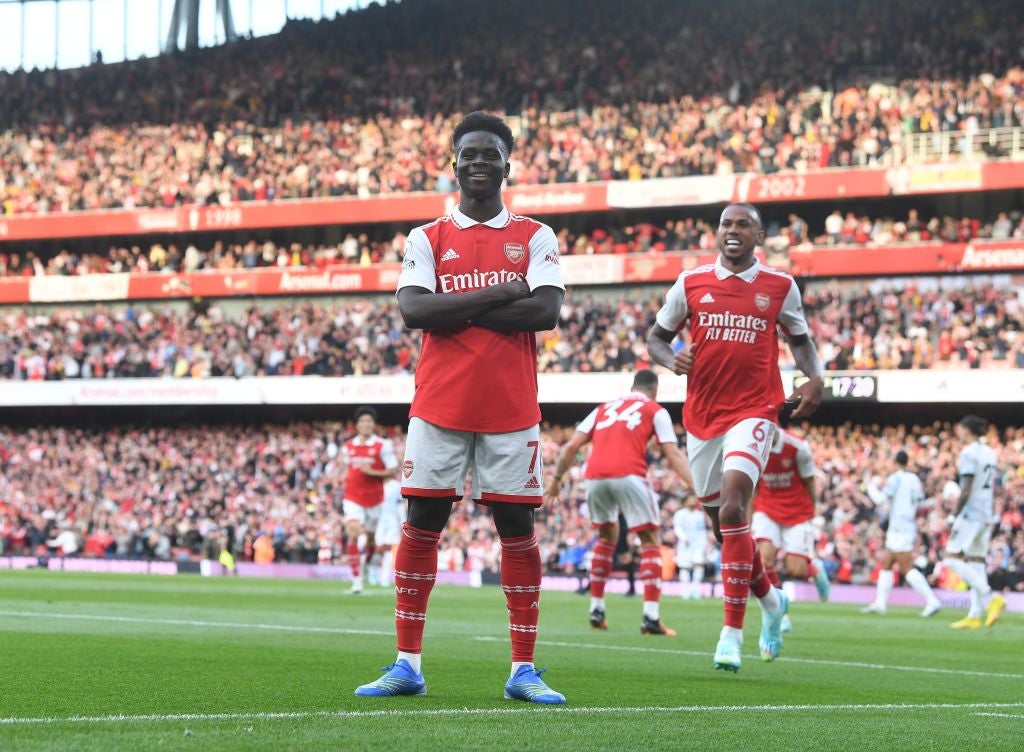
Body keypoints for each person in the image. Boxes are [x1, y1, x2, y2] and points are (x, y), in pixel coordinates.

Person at [356, 112, 566, 704]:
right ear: (454, 163)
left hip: (511, 406)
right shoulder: (426, 237)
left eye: (489, 153)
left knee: (516, 529)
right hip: (439, 405)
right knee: (422, 522)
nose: (479, 162)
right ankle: (406, 663)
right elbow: (416, 314)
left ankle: (523, 669)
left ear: (507, 164)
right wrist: (502, 291)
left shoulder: (536, 235)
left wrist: (457, 307)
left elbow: (545, 312)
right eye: (468, 153)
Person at [646, 202, 824, 672]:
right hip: (702, 416)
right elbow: (656, 338)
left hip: (756, 409)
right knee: (724, 530)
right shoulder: (691, 283)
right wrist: (669, 359)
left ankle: (730, 634)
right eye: (726, 223)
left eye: (743, 224)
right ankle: (771, 602)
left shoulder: (780, 286)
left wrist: (816, 376)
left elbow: (800, 339)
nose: (733, 230)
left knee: (732, 508)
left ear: (759, 237)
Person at [544, 369, 694, 636]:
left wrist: (555, 480)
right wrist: (697, 487)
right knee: (651, 540)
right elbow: (672, 453)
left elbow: (570, 447)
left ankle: (596, 609)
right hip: (629, 474)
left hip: (595, 477)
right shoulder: (654, 409)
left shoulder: (604, 408)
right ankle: (651, 617)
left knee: (606, 537)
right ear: (654, 391)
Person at [753, 427, 832, 632]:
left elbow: (809, 481)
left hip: (797, 511)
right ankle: (779, 611)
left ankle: (814, 567)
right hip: (767, 506)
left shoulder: (798, 447)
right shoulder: (751, 443)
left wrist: (812, 510)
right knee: (764, 560)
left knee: (795, 570)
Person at [861, 449, 942, 617]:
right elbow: (919, 502)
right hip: (907, 525)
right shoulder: (914, 479)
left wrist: (869, 486)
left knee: (906, 567)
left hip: (899, 527)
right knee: (887, 562)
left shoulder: (895, 479)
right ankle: (880, 603)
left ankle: (932, 600)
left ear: (895, 462)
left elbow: (882, 499)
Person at [942, 415, 1005, 629]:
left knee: (950, 558)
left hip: (971, 513)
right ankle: (975, 615)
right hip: (986, 512)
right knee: (975, 561)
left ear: (965, 430)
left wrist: (954, 515)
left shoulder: (968, 454)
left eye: (959, 428)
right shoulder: (989, 453)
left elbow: (966, 488)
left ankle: (991, 597)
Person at [341, 406, 399, 594]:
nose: (366, 424)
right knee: (353, 531)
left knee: (372, 539)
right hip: (352, 496)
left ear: (373, 425)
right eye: (362, 421)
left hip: (375, 499)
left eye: (369, 421)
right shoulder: (348, 446)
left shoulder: (383, 445)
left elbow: (392, 470)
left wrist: (372, 472)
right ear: (357, 425)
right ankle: (357, 581)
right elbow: (347, 469)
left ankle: (367, 564)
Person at [673, 496, 708, 600]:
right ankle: (685, 591)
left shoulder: (699, 514)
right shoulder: (680, 514)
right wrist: (683, 538)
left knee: (699, 564)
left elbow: (702, 530)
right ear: (685, 502)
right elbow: (677, 527)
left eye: (694, 499)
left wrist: (704, 542)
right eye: (690, 499)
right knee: (685, 566)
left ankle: (696, 590)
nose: (693, 501)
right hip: (685, 543)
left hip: (698, 543)